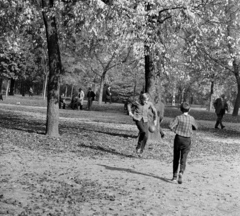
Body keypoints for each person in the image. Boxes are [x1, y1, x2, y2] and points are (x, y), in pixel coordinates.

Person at [169, 102, 198, 184]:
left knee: (176, 157)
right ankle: (181, 172)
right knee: (184, 158)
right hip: (187, 139)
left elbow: (170, 126)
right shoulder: (191, 118)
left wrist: (175, 131)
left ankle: (174, 176)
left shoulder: (178, 118)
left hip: (178, 138)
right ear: (189, 109)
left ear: (180, 109)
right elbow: (196, 127)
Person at [127, 93, 157, 157]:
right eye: (144, 100)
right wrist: (129, 111)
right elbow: (129, 104)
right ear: (141, 99)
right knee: (143, 131)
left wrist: (155, 119)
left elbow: (154, 111)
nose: (146, 101)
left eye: (147, 100)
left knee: (146, 136)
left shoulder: (149, 103)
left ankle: (141, 151)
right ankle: (138, 147)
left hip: (145, 120)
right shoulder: (136, 102)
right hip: (138, 119)